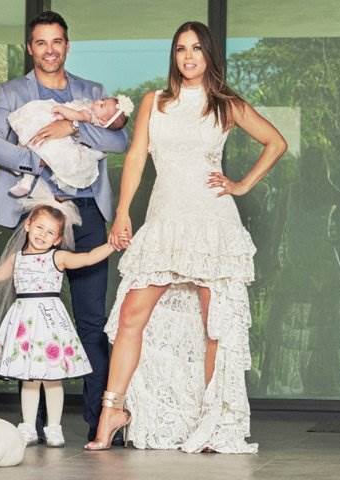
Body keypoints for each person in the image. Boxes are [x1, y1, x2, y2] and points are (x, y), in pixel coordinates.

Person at [84, 21, 287, 452]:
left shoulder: (225, 104)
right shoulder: (154, 101)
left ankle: (211, 423)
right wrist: (122, 212)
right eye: (181, 49)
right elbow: (136, 157)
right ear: (173, 56)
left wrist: (241, 185)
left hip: (212, 222)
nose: (189, 56)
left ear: (209, 54)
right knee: (131, 315)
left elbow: (275, 142)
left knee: (214, 326)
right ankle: (112, 412)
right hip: (164, 221)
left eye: (196, 48)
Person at [0, 10, 128, 444]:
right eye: (41, 42)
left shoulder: (91, 92)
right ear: (31, 48)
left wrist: (73, 125)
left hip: (88, 211)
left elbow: (119, 139)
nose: (49, 50)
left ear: (67, 45)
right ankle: (39, 425)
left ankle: (100, 421)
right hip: (39, 218)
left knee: (91, 320)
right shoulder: (12, 92)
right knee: (33, 314)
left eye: (57, 41)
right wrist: (37, 157)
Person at [0, 192, 116, 448]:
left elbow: (87, 258)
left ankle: (54, 427)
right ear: (28, 225)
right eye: (39, 228)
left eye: (50, 233)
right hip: (24, 325)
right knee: (29, 379)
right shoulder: (17, 259)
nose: (43, 235)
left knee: (52, 379)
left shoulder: (57, 258)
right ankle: (28, 426)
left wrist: (112, 245)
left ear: (58, 239)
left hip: (50, 325)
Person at [8, 95, 134, 196]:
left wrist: (62, 111)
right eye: (102, 99)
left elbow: (76, 116)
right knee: (34, 141)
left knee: (37, 143)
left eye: (102, 105)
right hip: (60, 135)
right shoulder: (91, 111)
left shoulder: (88, 114)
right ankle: (25, 178)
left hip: (65, 141)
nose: (98, 101)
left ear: (103, 121)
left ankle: (24, 174)